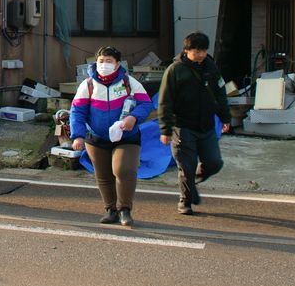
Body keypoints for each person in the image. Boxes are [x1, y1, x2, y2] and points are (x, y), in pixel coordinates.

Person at [70, 46, 154, 227]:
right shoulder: (88, 85)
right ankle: (111, 210)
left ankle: (125, 209)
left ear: (117, 64)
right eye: (101, 61)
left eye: (109, 61)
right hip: (96, 138)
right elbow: (77, 111)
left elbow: (146, 104)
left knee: (124, 170)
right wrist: (77, 136)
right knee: (103, 175)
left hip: (127, 137)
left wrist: (133, 117)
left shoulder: (129, 82)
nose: (104, 65)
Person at [157, 31, 232, 215]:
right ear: (186, 50)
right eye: (196, 51)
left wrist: (225, 118)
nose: (200, 54)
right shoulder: (175, 70)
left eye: (203, 51)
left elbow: (221, 94)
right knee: (186, 167)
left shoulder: (211, 67)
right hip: (183, 127)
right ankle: (185, 200)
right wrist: (165, 129)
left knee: (214, 163)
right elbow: (165, 101)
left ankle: (193, 181)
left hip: (206, 125)